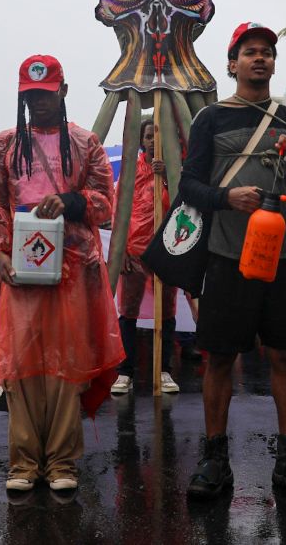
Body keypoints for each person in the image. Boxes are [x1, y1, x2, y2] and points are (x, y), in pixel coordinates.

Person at [179, 22, 286, 500]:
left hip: (281, 255)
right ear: (233, 63)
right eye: (249, 52)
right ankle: (214, 458)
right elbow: (188, 187)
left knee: (285, 354)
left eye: (266, 52)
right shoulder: (211, 119)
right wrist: (227, 197)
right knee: (219, 358)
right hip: (227, 256)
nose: (259, 59)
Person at [0, 54, 122, 492]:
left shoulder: (85, 143)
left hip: (73, 271)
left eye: (45, 93)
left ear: (62, 90)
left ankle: (62, 462)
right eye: (30, 96)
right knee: (21, 366)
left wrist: (72, 201)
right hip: (19, 269)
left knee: (65, 367)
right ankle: (23, 462)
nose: (38, 102)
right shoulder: (3, 146)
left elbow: (104, 201)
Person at [112, 119, 179, 396]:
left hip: (166, 251)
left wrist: (165, 178)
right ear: (142, 141)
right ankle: (125, 372)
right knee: (128, 313)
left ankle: (164, 371)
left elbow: (181, 205)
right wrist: (122, 250)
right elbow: (118, 212)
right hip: (135, 252)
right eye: (149, 136)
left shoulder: (174, 173)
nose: (153, 140)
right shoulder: (130, 173)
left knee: (166, 313)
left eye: (158, 135)